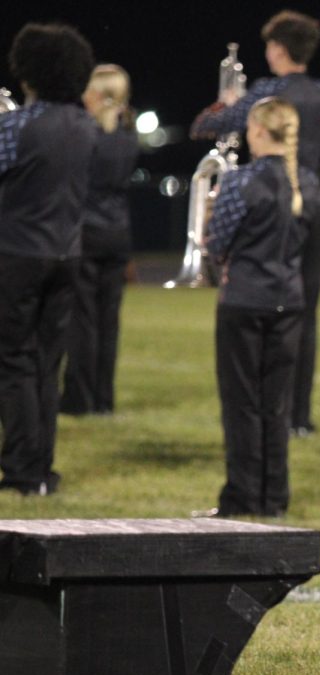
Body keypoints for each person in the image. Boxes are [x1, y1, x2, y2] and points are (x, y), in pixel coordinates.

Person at [191, 10, 320, 438]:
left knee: (270, 301)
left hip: (269, 200)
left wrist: (230, 104)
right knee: (304, 310)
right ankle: (298, 416)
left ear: (277, 49)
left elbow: (206, 126)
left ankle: (269, 407)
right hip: (313, 201)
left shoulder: (266, 92)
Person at [201, 96, 320, 517]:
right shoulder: (307, 182)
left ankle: (241, 495)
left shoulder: (239, 181)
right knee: (276, 405)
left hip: (243, 301)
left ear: (257, 131)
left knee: (242, 403)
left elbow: (216, 243)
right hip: (288, 303)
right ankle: (274, 498)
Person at [0, 23, 96, 495]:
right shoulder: (85, 126)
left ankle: (21, 469)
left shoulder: (17, 124)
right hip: (67, 252)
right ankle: (43, 468)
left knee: (14, 361)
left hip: (18, 252)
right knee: (45, 363)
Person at [61, 64, 140, 416]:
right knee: (109, 322)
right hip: (118, 233)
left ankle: (80, 399)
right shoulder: (128, 134)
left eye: (89, 90)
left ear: (101, 94)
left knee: (83, 320)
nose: (83, 96)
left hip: (86, 231)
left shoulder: (87, 134)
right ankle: (104, 400)